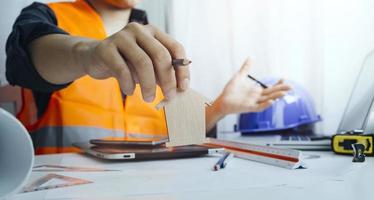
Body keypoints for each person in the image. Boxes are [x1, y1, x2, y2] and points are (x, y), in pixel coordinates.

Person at [6, 0, 290, 154]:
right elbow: (25, 58)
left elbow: (172, 136)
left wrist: (219, 109)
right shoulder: (47, 16)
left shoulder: (163, 42)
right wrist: (90, 54)